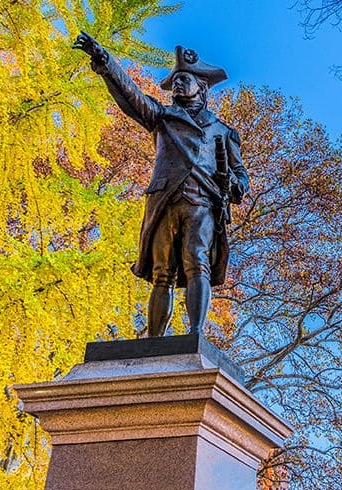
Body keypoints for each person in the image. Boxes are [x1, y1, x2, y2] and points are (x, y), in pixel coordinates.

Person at [73, 33, 248, 337]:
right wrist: (104, 61)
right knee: (162, 273)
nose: (177, 83)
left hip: (202, 203)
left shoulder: (224, 131)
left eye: (185, 78)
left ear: (202, 87)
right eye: (175, 79)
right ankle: (153, 341)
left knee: (198, 262)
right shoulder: (162, 116)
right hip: (165, 200)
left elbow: (241, 179)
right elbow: (132, 97)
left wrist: (231, 182)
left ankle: (195, 334)